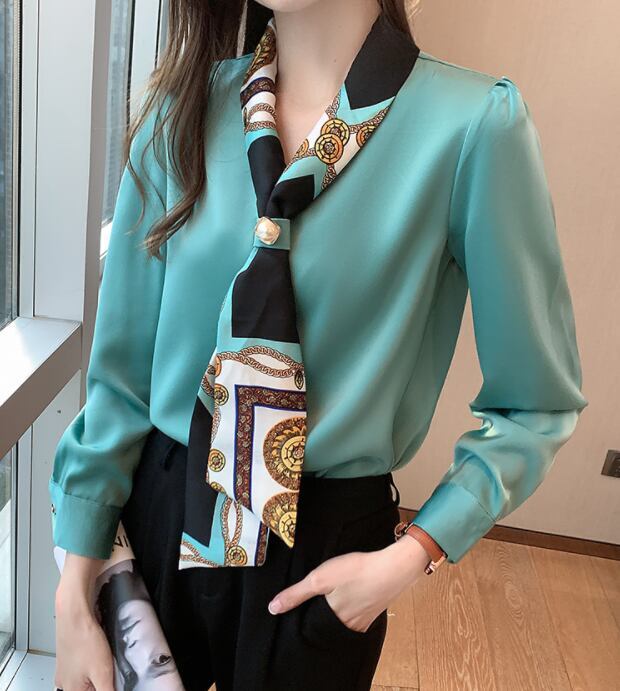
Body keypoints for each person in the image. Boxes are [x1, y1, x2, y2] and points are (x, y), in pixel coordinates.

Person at [50, 1, 588, 690]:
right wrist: (75, 590)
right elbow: (121, 381)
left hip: (320, 552)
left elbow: (536, 403)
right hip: (158, 520)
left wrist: (412, 555)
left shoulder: (473, 128)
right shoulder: (179, 107)